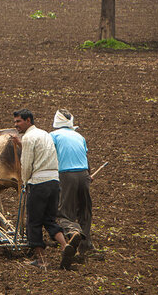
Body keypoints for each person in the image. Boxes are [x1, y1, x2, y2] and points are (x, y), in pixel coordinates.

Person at [10, 108, 76, 269]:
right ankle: (64, 245)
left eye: (18, 121)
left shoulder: (28, 138)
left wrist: (24, 182)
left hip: (38, 183)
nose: (16, 125)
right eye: (15, 122)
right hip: (54, 181)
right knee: (49, 219)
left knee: (33, 222)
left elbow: (26, 164)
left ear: (28, 121)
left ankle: (41, 260)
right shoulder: (45, 134)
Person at [50, 109, 95, 259]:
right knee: (85, 209)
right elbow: (85, 156)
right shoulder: (79, 136)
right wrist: (88, 174)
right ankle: (86, 245)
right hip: (83, 174)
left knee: (64, 212)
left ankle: (74, 232)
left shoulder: (53, 136)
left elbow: (50, 157)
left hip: (66, 175)